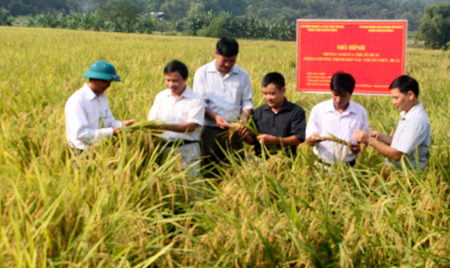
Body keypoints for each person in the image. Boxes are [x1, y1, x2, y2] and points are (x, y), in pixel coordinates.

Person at [193, 37, 253, 171]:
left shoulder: (243, 75)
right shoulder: (202, 73)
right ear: (216, 54)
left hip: (235, 131)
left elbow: (247, 104)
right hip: (210, 130)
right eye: (224, 60)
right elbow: (200, 103)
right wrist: (215, 117)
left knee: (235, 170)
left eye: (232, 60)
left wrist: (241, 122)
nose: (227, 64)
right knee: (208, 169)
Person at [353, 75, 430, 170]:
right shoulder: (407, 114)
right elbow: (404, 142)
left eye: (396, 98)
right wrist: (382, 137)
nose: (393, 102)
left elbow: (397, 155)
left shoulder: (416, 121)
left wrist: (370, 140)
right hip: (396, 173)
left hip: (408, 177)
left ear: (410, 95)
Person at [148, 60, 205, 177]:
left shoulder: (196, 99)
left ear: (185, 79)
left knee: (191, 187)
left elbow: (191, 126)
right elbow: (152, 122)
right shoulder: (161, 97)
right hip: (164, 149)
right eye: (167, 80)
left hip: (187, 149)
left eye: (175, 81)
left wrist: (166, 127)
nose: (171, 84)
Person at [65, 60, 136, 152]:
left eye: (110, 82)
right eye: (106, 81)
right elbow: (81, 134)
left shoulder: (101, 97)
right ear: (94, 79)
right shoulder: (78, 100)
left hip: (101, 148)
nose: (109, 85)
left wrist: (122, 125)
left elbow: (108, 121)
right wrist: (113, 131)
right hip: (81, 152)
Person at [305, 72, 369, 166]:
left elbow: (365, 140)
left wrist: (360, 147)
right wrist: (313, 139)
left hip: (349, 166)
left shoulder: (360, 112)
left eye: (343, 96)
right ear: (331, 91)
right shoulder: (319, 110)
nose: (338, 100)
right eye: (335, 94)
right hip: (323, 165)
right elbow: (308, 140)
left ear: (351, 93)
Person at [237, 72, 306, 156]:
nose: (268, 98)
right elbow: (253, 141)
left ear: (283, 90)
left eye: (272, 94)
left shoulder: (296, 112)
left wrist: (274, 140)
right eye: (265, 93)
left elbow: (297, 140)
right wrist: (244, 135)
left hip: (287, 161)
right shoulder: (258, 112)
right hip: (261, 160)